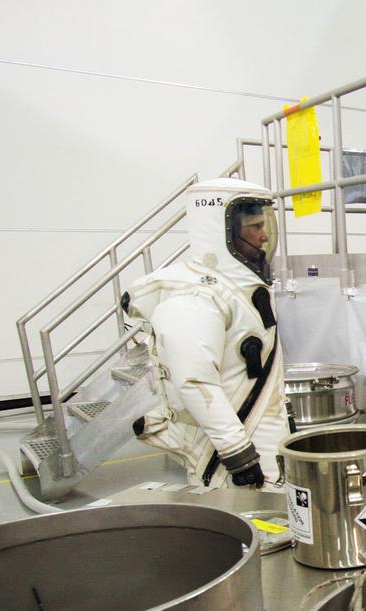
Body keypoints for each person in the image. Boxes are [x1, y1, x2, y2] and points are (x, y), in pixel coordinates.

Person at [123, 178, 287, 488]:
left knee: (272, 522)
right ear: (226, 229)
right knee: (242, 525)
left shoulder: (235, 290)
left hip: (260, 441)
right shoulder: (194, 298)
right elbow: (195, 382)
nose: (264, 234)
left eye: (264, 223)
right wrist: (238, 454)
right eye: (253, 226)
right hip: (228, 461)